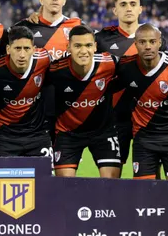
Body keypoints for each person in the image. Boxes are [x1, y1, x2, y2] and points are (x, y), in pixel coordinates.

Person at [96, 0, 168, 175]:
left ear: (140, 9)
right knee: (111, 180)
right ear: (115, 10)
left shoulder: (153, 39)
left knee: (149, 179)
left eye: (133, 4)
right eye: (123, 4)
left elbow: (165, 78)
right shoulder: (101, 39)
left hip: (146, 120)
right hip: (115, 121)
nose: (128, 8)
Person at [114, 24, 168, 181]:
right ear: (135, 44)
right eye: (143, 42)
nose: (147, 47)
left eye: (152, 42)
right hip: (143, 139)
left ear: (159, 43)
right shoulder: (125, 67)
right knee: (145, 194)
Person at [15, 0, 84, 146]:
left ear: (64, 0)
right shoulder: (25, 28)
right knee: (37, 165)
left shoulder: (77, 27)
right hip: (33, 109)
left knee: (64, 166)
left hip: (67, 108)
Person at [46, 25, 121, 178]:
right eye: (77, 46)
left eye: (88, 45)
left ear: (95, 47)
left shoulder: (110, 63)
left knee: (111, 185)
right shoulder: (55, 70)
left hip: (103, 131)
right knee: (64, 186)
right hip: (68, 133)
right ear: (68, 48)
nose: (83, 51)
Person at [0, 26, 52, 158]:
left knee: (44, 178)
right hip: (5, 135)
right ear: (8, 49)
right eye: (17, 48)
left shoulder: (44, 60)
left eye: (26, 49)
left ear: (33, 49)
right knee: (3, 178)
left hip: (36, 134)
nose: (22, 54)